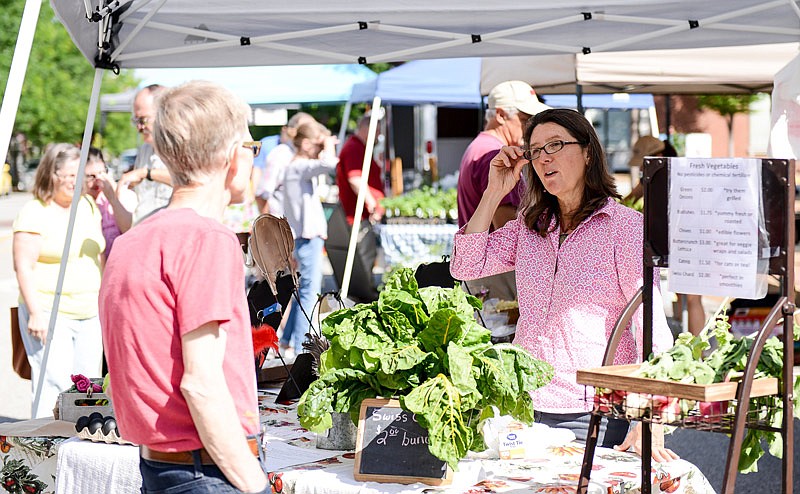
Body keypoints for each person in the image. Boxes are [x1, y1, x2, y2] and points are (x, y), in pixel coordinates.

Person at [450, 108, 678, 462]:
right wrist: (495, 191)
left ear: (588, 152)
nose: (544, 158)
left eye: (555, 145)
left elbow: (651, 326)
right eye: (536, 150)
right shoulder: (530, 225)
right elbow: (465, 264)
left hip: (595, 413)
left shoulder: (626, 228)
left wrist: (653, 418)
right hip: (524, 407)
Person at [99, 81, 267, 493]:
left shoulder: (132, 241)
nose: (252, 157)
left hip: (161, 467)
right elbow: (201, 383)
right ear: (231, 157)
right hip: (206, 469)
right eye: (251, 146)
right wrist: (255, 485)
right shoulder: (208, 239)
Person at [13, 143, 105, 418]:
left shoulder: (88, 205)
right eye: (73, 176)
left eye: (84, 176)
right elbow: (23, 267)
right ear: (53, 175)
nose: (81, 183)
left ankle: (80, 446)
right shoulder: (34, 211)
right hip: (50, 311)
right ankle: (45, 447)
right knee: (53, 384)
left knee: (88, 387)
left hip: (89, 312)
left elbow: (97, 254)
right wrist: (36, 314)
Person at [456, 80, 550, 301]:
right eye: (525, 120)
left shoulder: (479, 147)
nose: (530, 128)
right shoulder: (496, 155)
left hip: (483, 267)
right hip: (495, 270)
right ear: (500, 115)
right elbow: (506, 224)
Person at [622, 138, 705, 335]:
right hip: (684, 239)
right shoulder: (680, 174)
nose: (642, 169)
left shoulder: (657, 177)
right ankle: (692, 349)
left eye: (643, 164)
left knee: (691, 298)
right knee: (689, 297)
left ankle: (697, 353)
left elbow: (627, 202)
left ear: (657, 157)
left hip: (681, 240)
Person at [281, 122, 339, 355]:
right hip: (308, 238)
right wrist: (328, 145)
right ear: (306, 144)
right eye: (317, 146)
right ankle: (300, 350)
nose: (320, 151)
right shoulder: (299, 167)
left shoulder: (294, 167)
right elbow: (330, 164)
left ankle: (287, 341)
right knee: (309, 293)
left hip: (303, 238)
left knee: (302, 291)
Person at [116, 84, 174, 230]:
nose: (139, 127)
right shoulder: (145, 150)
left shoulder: (183, 146)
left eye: (143, 120)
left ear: (163, 113)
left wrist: (146, 173)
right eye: (136, 121)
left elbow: (188, 181)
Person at [335, 112, 385, 277]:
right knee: (363, 258)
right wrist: (371, 204)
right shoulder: (354, 148)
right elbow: (355, 179)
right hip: (358, 215)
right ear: (367, 129)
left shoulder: (358, 147)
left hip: (362, 214)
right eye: (377, 130)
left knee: (366, 257)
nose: (379, 135)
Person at [256, 112, 316, 216]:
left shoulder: (309, 157)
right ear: (292, 131)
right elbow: (262, 194)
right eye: (305, 129)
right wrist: (268, 226)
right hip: (282, 225)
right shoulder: (281, 154)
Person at [82, 148, 133, 259]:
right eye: (90, 176)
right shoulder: (77, 202)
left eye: (101, 174)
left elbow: (129, 231)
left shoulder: (123, 196)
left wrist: (113, 199)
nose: (97, 181)